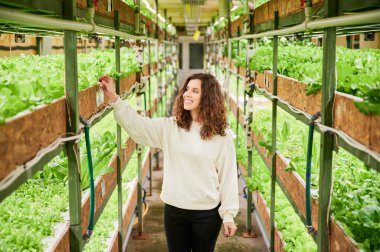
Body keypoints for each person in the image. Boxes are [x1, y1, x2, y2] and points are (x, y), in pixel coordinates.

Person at [99, 73, 239, 252]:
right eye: (187, 89)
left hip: (206, 214)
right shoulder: (171, 127)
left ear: (208, 98)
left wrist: (228, 214)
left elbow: (227, 176)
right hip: (175, 210)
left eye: (195, 91)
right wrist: (114, 98)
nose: (187, 94)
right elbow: (138, 126)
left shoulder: (221, 135)